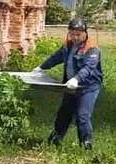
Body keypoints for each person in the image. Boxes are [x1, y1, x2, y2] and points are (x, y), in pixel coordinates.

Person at [34, 17, 103, 150]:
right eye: (72, 34)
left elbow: (88, 68)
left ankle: (86, 145)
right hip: (70, 86)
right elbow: (57, 57)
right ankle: (55, 139)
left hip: (87, 87)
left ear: (85, 33)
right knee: (64, 113)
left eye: (78, 34)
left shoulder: (92, 48)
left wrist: (76, 79)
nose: (75, 37)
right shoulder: (68, 44)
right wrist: (41, 68)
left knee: (82, 115)